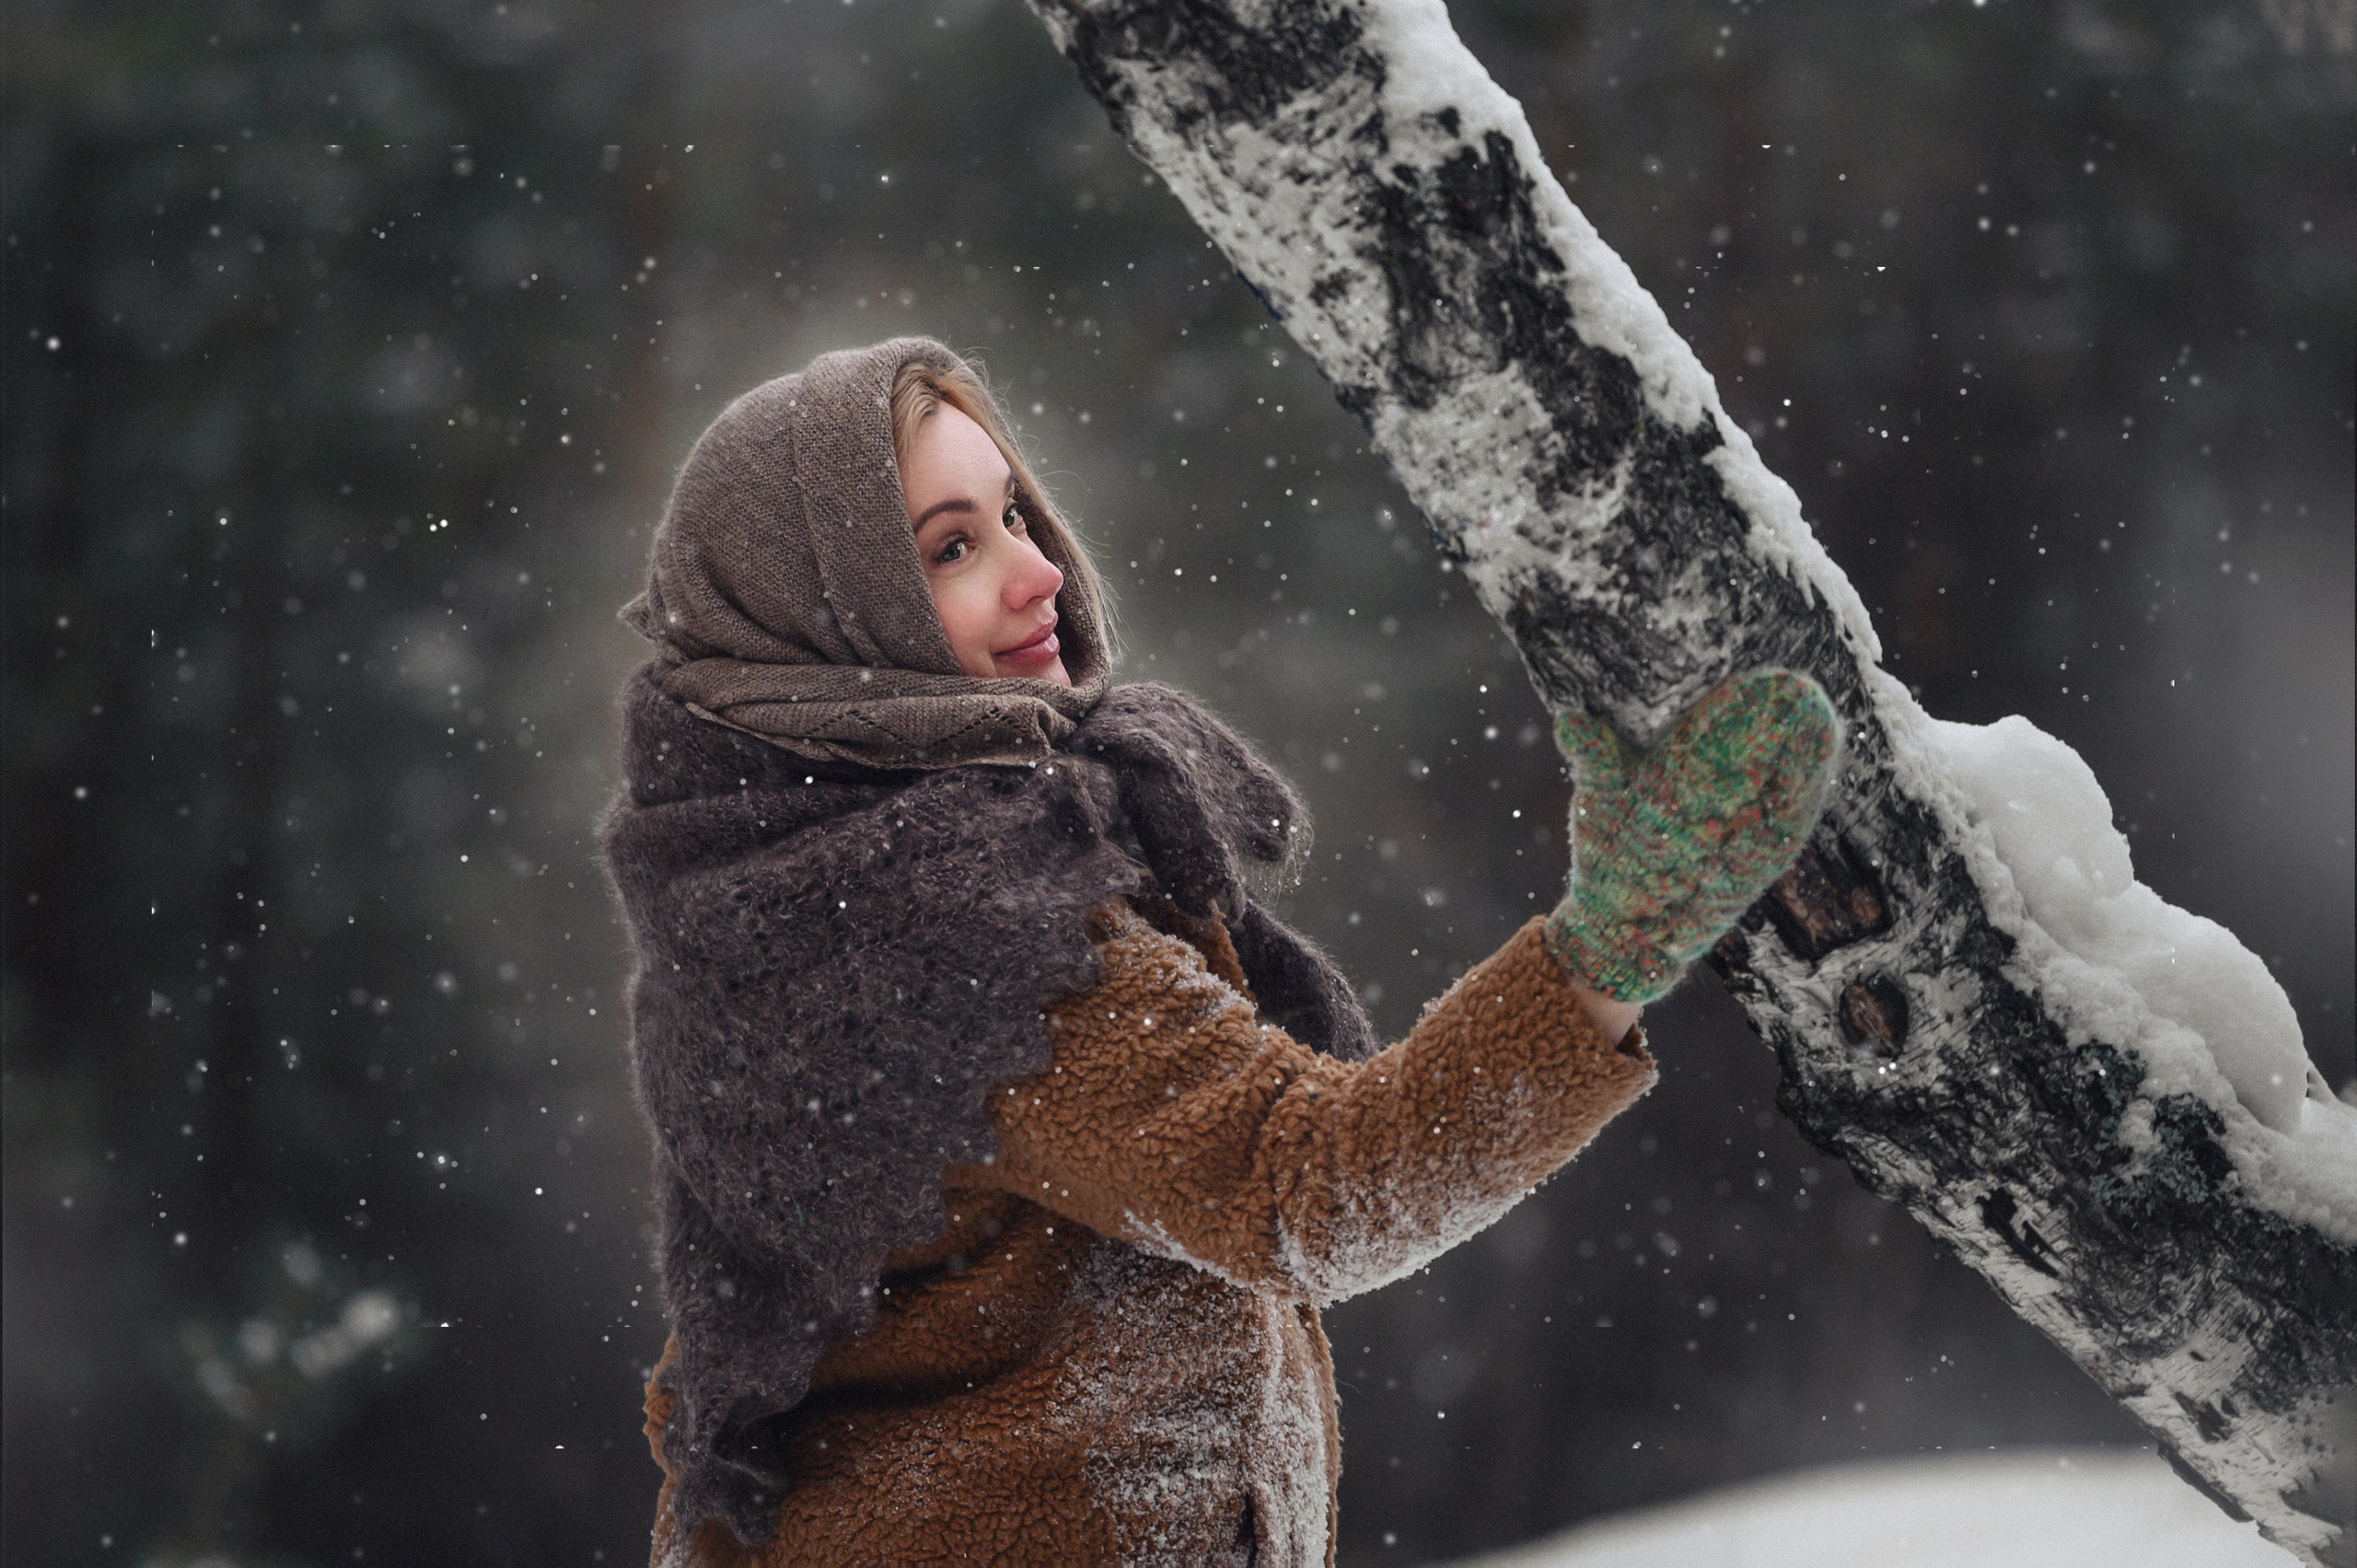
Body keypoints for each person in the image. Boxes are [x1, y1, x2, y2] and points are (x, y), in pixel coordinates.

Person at [599, 337, 1839, 1567]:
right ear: (829, 618)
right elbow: (1312, 1189)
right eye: (951, 548)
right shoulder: (944, 927)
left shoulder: (773, 887)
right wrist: (1604, 956)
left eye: (1016, 513)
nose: (1036, 573)